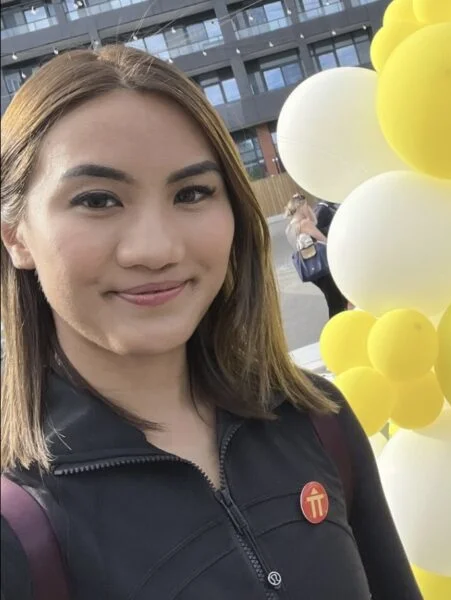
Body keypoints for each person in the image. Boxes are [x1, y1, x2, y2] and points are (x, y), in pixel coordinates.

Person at [0, 46, 420, 600]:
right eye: (98, 200)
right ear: (15, 234)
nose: (155, 248)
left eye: (192, 193)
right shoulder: (18, 522)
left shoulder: (318, 420)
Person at [285, 193, 349, 318]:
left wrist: (305, 208)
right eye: (305, 205)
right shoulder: (304, 224)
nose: (308, 207)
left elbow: (314, 221)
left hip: (310, 268)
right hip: (322, 266)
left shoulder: (289, 228)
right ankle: (337, 328)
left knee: (335, 297)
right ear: (300, 206)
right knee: (336, 301)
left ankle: (342, 323)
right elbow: (324, 240)